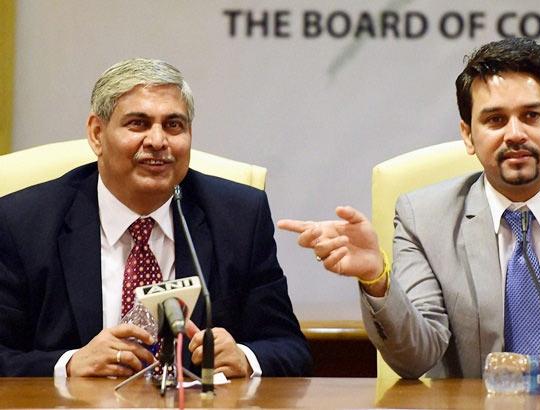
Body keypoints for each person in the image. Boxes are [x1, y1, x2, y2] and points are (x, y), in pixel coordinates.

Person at [279, 38, 540, 389]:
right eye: (495, 120)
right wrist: (375, 278)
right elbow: (416, 358)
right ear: (468, 135)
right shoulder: (424, 218)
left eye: (532, 116)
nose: (514, 133)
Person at [0, 58, 311, 378]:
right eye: (138, 123)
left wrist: (244, 357)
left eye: (174, 125)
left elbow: (289, 348)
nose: (158, 141)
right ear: (96, 134)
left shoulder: (239, 217)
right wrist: (69, 364)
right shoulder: (22, 223)